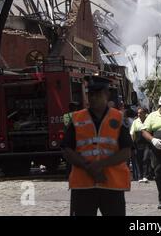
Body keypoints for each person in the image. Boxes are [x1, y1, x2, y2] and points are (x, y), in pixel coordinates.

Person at [61, 75, 132, 216]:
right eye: (90, 94)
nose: (92, 98)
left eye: (97, 94)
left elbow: (126, 151)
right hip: (83, 185)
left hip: (112, 184)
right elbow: (66, 149)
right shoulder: (77, 118)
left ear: (107, 94)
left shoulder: (118, 118)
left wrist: (100, 165)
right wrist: (88, 167)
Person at [131, 107, 152, 183]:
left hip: (147, 143)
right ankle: (140, 176)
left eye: (140, 113)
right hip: (138, 143)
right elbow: (132, 133)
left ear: (144, 113)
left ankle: (145, 176)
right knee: (139, 159)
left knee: (145, 159)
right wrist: (132, 144)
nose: (139, 114)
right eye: (138, 113)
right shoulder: (135, 122)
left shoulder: (149, 121)